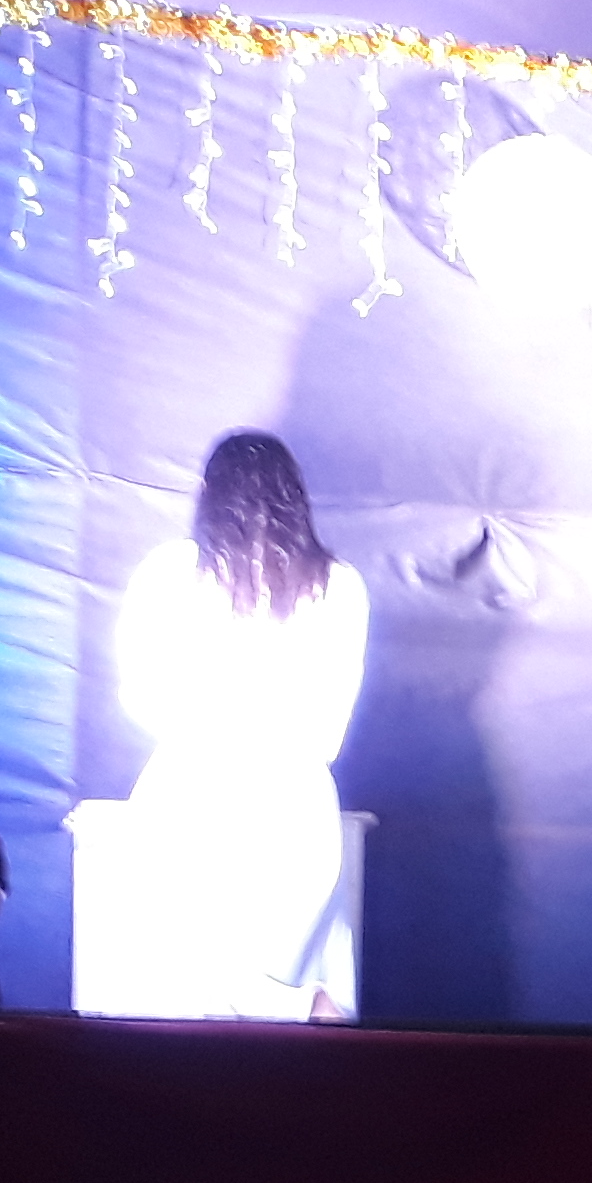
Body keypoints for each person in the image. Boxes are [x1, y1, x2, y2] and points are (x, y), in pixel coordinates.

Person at [106, 428, 371, 1022]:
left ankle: (299, 1010)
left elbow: (141, 696)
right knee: (272, 1019)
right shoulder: (340, 585)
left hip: (188, 796)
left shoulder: (168, 571)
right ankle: (303, 1011)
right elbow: (327, 729)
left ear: (208, 493)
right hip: (292, 810)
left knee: (175, 1000)